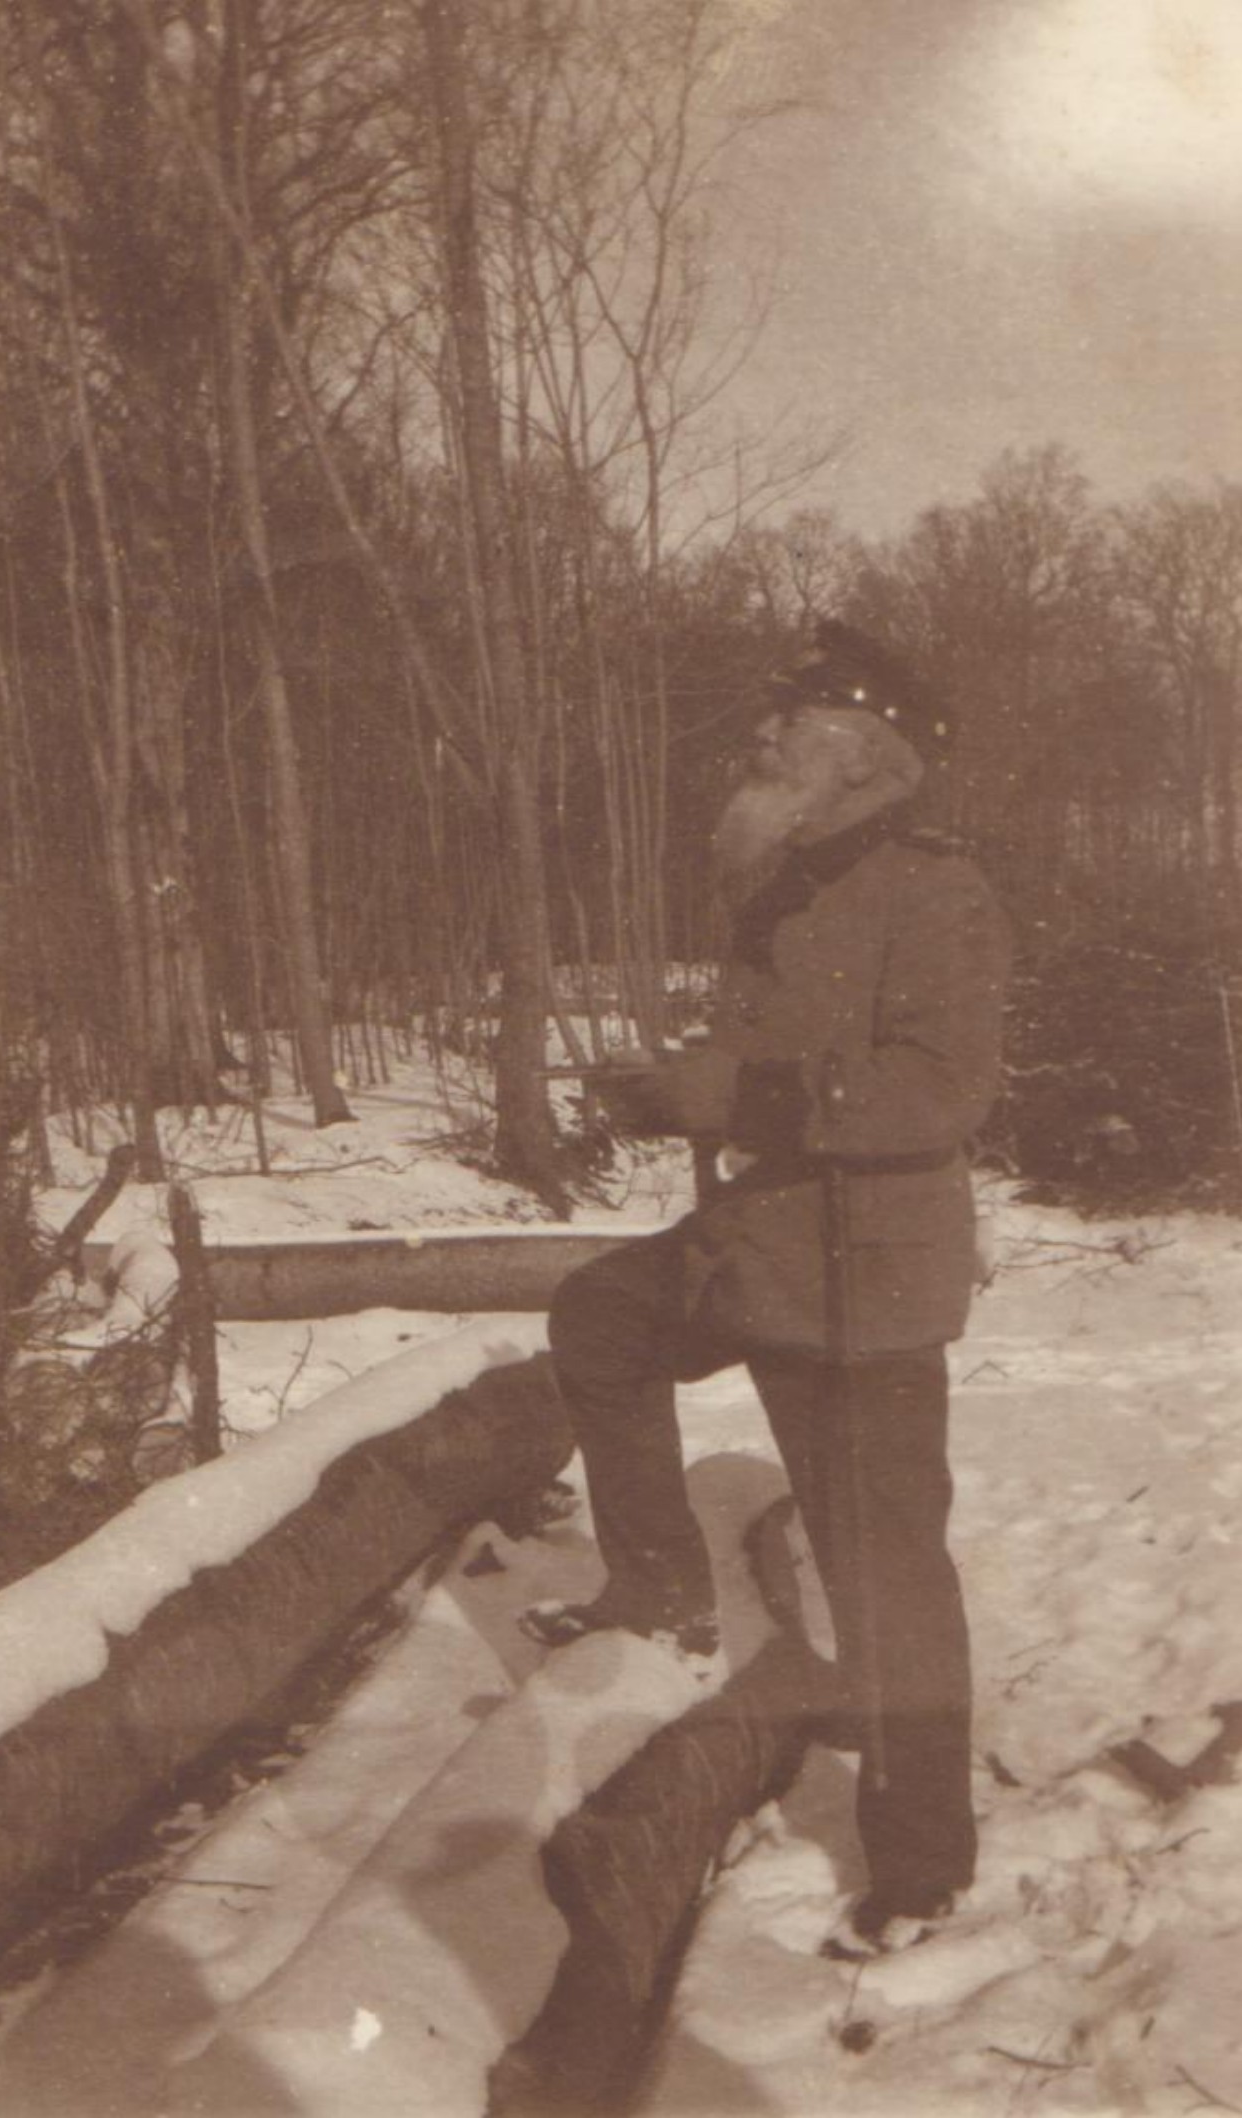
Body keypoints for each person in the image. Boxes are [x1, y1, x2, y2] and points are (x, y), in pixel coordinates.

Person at [521, 620, 1012, 1952]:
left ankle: (924, 1864)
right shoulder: (786, 879)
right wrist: (676, 1086)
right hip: (760, 1244)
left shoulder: (937, 891)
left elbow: (943, 1088)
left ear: (861, 758)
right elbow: (774, 1049)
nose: (761, 741)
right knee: (601, 1315)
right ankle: (664, 1595)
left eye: (790, 727)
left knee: (884, 1564)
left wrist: (737, 1093)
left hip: (862, 1278)